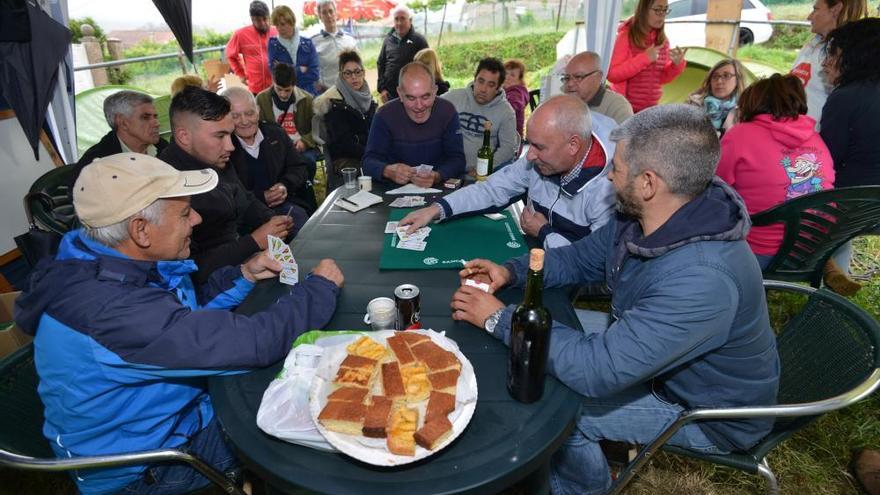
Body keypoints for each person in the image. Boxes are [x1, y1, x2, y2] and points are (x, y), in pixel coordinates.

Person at [450, 104, 779, 495]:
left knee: (560, 410)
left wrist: (502, 320)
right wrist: (513, 271)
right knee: (547, 361)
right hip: (652, 354)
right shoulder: (649, 214)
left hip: (703, 410)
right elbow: (581, 258)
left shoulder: (703, 280)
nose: (607, 175)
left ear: (648, 183)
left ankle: (582, 489)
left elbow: (597, 370)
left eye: (617, 168)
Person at [14, 153, 344, 495]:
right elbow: (255, 343)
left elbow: (184, 316)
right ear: (141, 230)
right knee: (303, 429)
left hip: (171, 420)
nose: (197, 219)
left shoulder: (103, 258)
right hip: (148, 466)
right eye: (185, 213)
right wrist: (320, 288)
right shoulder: (111, 309)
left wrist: (243, 275)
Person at [399, 95, 615, 249]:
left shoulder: (610, 189)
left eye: (539, 147)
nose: (529, 156)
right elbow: (491, 190)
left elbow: (594, 263)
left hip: (567, 274)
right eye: (531, 145)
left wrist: (544, 232)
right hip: (537, 251)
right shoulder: (540, 160)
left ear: (573, 145)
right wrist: (436, 209)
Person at [160, 87, 293, 284]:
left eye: (230, 135)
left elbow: (245, 200)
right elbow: (189, 271)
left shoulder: (216, 160)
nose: (231, 146)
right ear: (184, 136)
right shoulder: (166, 189)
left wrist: (272, 221)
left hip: (243, 263)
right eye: (220, 136)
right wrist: (253, 242)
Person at [715, 74, 834, 270]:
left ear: (752, 101)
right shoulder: (816, 138)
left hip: (757, 253)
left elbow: (715, 186)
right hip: (810, 253)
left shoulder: (740, 135)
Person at [819, 17, 880, 294]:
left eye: (832, 53)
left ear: (853, 56)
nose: (825, 62)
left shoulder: (845, 97)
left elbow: (828, 161)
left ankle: (829, 292)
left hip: (854, 202)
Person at [362, 62, 465, 187]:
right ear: (400, 94)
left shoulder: (447, 111)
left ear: (435, 91)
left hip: (438, 189)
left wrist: (438, 176)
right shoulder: (385, 115)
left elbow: (458, 159)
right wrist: (387, 170)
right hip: (393, 190)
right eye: (411, 98)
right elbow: (368, 162)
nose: (419, 106)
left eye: (425, 96)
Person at [225, 87, 317, 227]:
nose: (244, 121)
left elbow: (298, 167)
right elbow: (227, 195)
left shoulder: (275, 133)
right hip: (245, 217)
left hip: (286, 206)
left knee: (302, 226)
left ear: (258, 110)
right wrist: (262, 197)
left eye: (249, 113)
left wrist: (285, 185)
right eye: (235, 116)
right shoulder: (224, 148)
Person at [791, 0, 867, 123]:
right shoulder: (812, 45)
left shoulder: (848, 55)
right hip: (794, 131)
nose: (809, 17)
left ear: (835, 9)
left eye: (816, 9)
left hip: (819, 137)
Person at [71, 90, 168, 187]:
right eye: (145, 117)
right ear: (123, 123)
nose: (157, 123)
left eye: (155, 117)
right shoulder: (97, 162)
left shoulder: (163, 147)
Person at [441, 57, 520, 174]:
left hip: (482, 174)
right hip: (447, 168)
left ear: (498, 88)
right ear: (474, 79)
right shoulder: (453, 97)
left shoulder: (506, 112)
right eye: (481, 81)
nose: (483, 89)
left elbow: (508, 148)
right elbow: (428, 106)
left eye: (491, 85)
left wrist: (485, 167)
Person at [313, 50, 377, 190]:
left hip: (367, 153)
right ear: (341, 76)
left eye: (357, 72)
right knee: (378, 170)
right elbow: (344, 143)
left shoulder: (368, 99)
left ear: (364, 73)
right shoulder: (334, 103)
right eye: (348, 73)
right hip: (345, 158)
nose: (354, 77)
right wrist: (371, 155)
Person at [608, 0, 687, 113]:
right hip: (624, 110)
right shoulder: (626, 36)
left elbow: (659, 79)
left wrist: (676, 66)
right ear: (643, 10)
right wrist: (645, 58)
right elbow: (612, 74)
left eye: (665, 10)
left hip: (650, 110)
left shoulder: (663, 41)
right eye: (657, 9)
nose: (662, 14)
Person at [256, 63, 320, 181]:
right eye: (279, 89)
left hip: (300, 147)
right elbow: (258, 128)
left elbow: (318, 128)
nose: (283, 94)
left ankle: (306, 186)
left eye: (287, 90)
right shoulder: (261, 99)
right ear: (273, 83)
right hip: (273, 147)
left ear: (294, 85)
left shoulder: (307, 99)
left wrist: (305, 142)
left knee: (309, 162)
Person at [563, 51, 634, 125]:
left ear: (598, 77)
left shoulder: (617, 106)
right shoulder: (561, 101)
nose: (570, 84)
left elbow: (626, 136)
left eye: (578, 77)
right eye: (567, 78)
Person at [376, 4, 429, 103]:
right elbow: (380, 63)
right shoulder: (388, 40)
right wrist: (382, 89)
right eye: (396, 19)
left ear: (410, 20)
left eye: (403, 19)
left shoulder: (419, 41)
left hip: (412, 95)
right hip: (390, 95)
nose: (399, 23)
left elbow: (428, 67)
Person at [226, 0, 277, 95]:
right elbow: (231, 55)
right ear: (252, 19)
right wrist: (240, 74)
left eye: (265, 19)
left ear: (269, 17)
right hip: (255, 88)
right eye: (258, 20)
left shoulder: (277, 31)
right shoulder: (240, 34)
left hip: (277, 85)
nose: (262, 23)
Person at [267, 5, 320, 95]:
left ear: (291, 22)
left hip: (308, 95)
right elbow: (276, 75)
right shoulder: (273, 44)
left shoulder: (308, 43)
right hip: (285, 96)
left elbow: (315, 74)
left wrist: (287, 73)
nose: (279, 28)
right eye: (277, 25)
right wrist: (300, 69)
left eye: (283, 24)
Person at [687, 59, 745, 134]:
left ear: (737, 80)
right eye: (715, 76)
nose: (719, 81)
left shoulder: (744, 111)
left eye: (726, 76)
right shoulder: (693, 104)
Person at [311, 0, 358, 94]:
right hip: (326, 94)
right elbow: (311, 71)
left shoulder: (349, 39)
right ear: (320, 17)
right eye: (324, 12)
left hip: (350, 93)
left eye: (331, 11)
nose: (328, 15)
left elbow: (359, 66)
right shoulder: (313, 42)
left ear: (336, 13)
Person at [503, 59, 529, 138]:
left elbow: (512, 107)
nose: (507, 77)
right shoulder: (504, 92)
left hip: (512, 141)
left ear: (520, 81)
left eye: (512, 75)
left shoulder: (516, 93)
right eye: (505, 73)